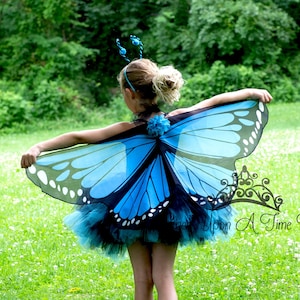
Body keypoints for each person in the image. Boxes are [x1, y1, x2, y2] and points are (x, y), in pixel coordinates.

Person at [21, 58, 272, 300]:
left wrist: (39, 147)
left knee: (142, 278)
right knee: (163, 276)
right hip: (173, 207)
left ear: (129, 94)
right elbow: (215, 101)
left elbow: (79, 137)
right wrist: (252, 91)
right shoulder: (178, 119)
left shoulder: (125, 129)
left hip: (131, 206)